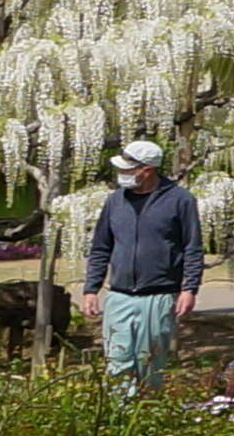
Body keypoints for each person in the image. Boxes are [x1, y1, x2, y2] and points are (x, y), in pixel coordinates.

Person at [86, 139, 204, 393]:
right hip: (119, 294)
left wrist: (189, 289)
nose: (122, 175)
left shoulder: (180, 200)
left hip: (159, 295)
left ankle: (146, 416)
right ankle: (119, 419)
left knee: (149, 363)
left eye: (128, 170)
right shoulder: (114, 201)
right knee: (117, 363)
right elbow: (100, 247)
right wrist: (91, 289)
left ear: (147, 170)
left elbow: (192, 248)